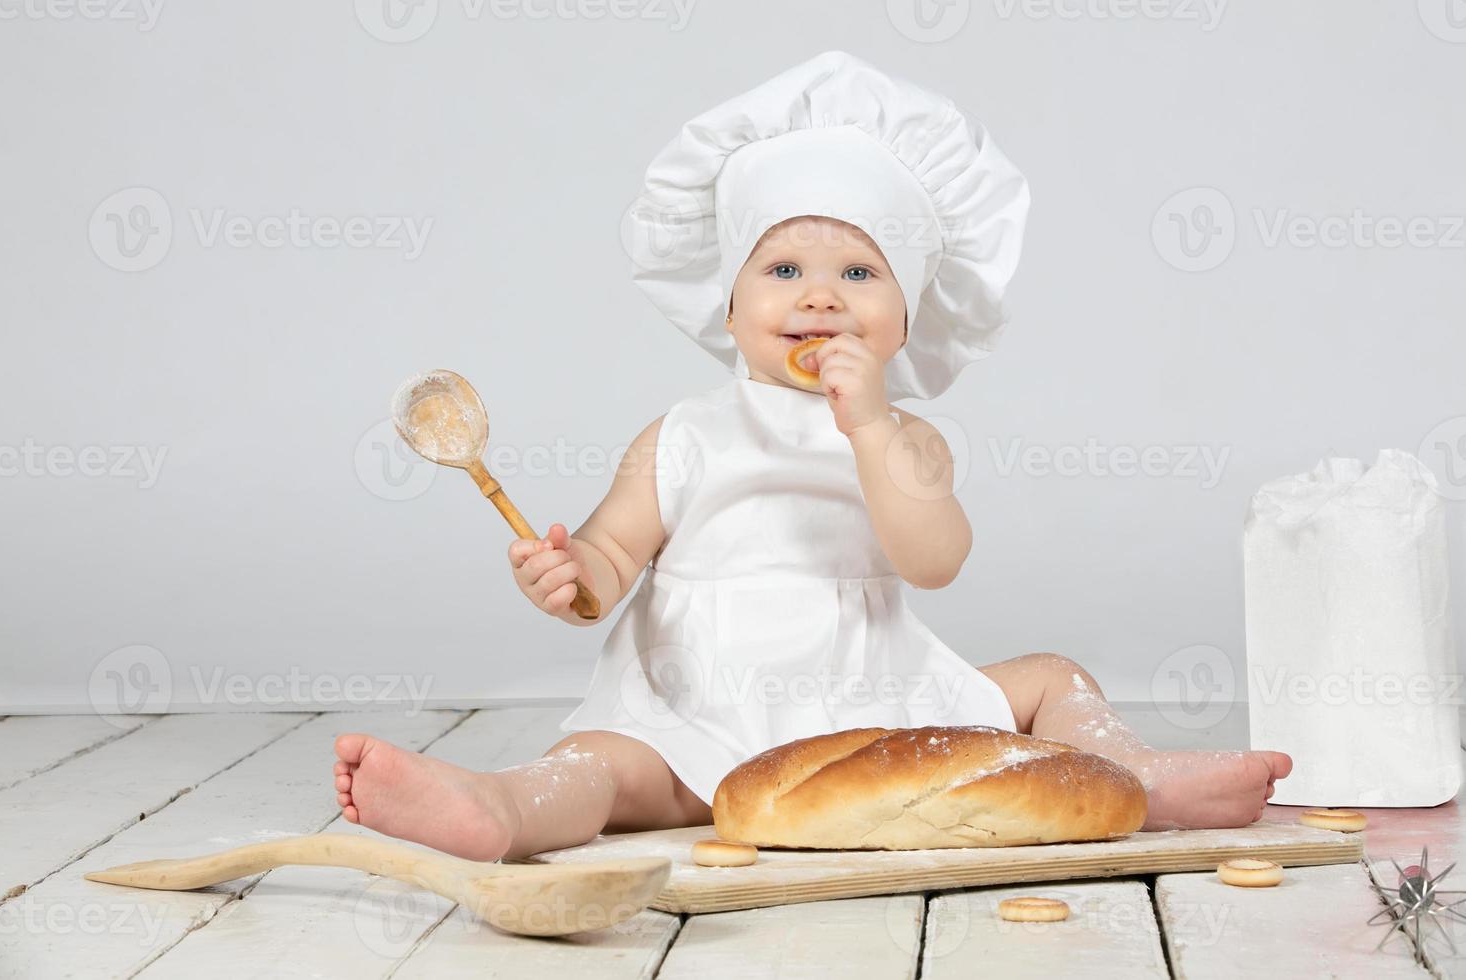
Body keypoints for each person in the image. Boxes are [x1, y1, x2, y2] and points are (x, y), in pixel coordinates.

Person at [333, 51, 1290, 862]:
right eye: (784, 269)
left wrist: (870, 425)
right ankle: (500, 811)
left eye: (860, 273)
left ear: (907, 317)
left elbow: (935, 561)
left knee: (1049, 678)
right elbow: (612, 558)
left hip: (871, 693)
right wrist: (568, 571)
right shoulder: (681, 432)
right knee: (608, 766)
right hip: (700, 689)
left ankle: (1133, 775)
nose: (821, 297)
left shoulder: (906, 437)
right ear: (732, 305)